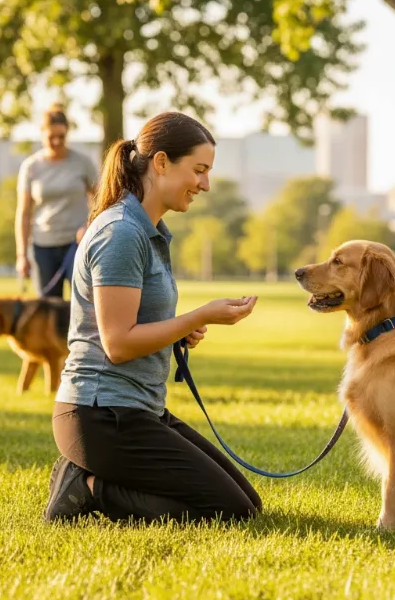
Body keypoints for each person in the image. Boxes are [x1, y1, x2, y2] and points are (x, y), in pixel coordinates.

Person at [45, 111, 261, 525]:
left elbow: (134, 324)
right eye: (198, 170)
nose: (205, 184)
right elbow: (118, 344)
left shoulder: (150, 230)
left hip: (137, 409)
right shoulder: (122, 233)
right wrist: (201, 315)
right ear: (161, 163)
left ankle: (93, 476)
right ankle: (88, 486)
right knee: (229, 512)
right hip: (100, 415)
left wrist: (180, 331)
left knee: (246, 504)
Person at [16, 105, 98, 297]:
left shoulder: (82, 163)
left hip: (77, 244)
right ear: (42, 134)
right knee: (47, 312)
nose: (56, 141)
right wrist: (21, 255)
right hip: (43, 246)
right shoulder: (31, 167)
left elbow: (101, 198)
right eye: (51, 136)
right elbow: (24, 213)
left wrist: (90, 224)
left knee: (86, 302)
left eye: (61, 136)